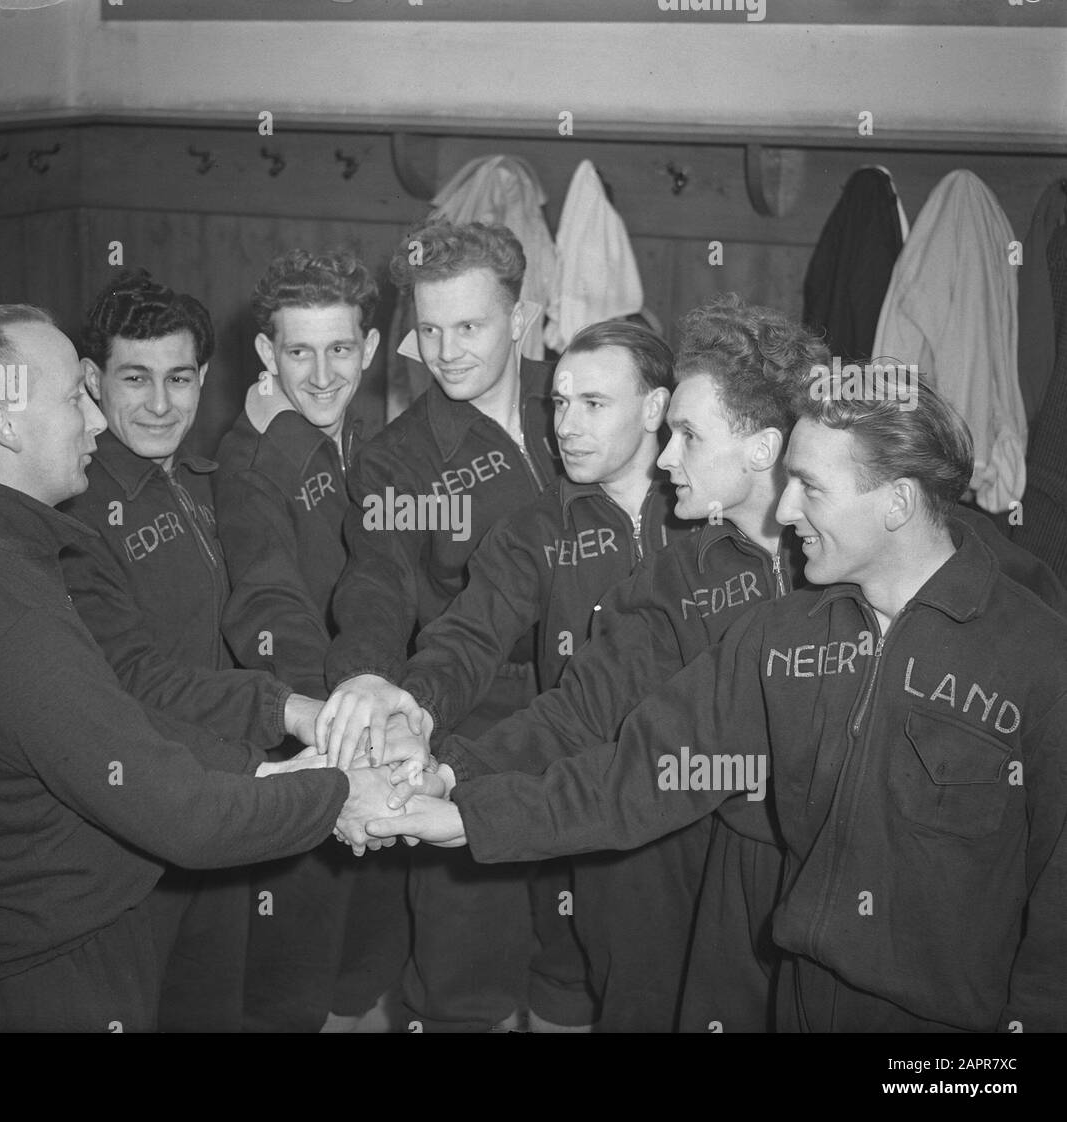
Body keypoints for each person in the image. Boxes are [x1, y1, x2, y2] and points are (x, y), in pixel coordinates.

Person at [371, 296, 1065, 1031]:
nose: (665, 456)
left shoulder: (977, 591)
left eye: (688, 435)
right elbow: (601, 732)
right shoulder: (701, 587)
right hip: (717, 865)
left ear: (764, 449)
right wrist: (454, 779)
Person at [0, 304, 394, 1032]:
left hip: (10, 945)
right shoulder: (6, 615)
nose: (96, 419)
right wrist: (339, 791)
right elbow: (184, 816)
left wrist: (265, 767)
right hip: (40, 977)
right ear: (5, 424)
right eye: (74, 398)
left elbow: (112, 724)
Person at [349, 317, 703, 1031]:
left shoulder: (706, 520)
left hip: (696, 810)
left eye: (594, 404)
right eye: (561, 403)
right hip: (572, 798)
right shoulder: (536, 530)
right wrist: (412, 709)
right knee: (559, 981)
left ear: (655, 409)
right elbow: (465, 638)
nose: (566, 425)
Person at [316, 218, 592, 1032]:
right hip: (472, 727)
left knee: (580, 963)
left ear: (521, 317)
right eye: (429, 330)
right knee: (464, 976)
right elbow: (377, 580)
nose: (445, 352)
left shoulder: (583, 402)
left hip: (602, 719)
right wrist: (369, 675)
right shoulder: (400, 459)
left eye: (468, 326)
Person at [57, 270, 322, 1031]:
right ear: (92, 380)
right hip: (134, 829)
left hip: (227, 798)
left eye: (179, 378)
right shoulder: (76, 513)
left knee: (213, 1010)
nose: (160, 403)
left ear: (203, 378)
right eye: (134, 378)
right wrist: (287, 713)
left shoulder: (207, 484)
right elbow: (132, 680)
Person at [213, 248, 408, 1032]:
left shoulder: (358, 435)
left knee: (366, 961)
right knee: (295, 982)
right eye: (299, 352)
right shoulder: (251, 459)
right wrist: (342, 731)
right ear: (267, 353)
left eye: (340, 350)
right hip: (312, 744)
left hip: (371, 728)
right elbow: (268, 611)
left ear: (370, 348)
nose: (323, 375)